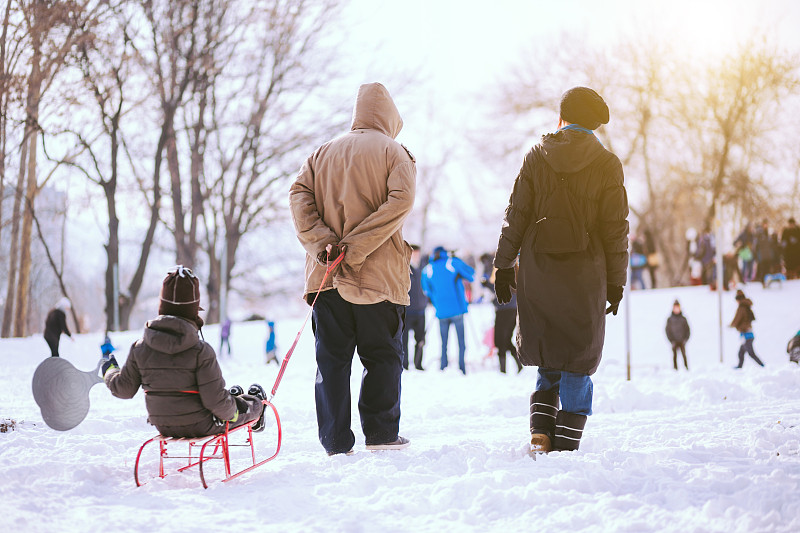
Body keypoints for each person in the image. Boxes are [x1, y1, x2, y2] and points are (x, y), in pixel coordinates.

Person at [492, 86, 629, 453]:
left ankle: (540, 433)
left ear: (563, 117)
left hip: (538, 270)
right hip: (586, 275)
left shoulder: (537, 156)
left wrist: (503, 265)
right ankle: (566, 445)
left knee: (550, 350)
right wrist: (616, 282)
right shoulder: (607, 164)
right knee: (577, 357)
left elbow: (516, 214)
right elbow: (615, 229)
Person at [289, 82, 415, 455]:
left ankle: (334, 440)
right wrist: (355, 249)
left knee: (331, 360)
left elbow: (298, 197)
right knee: (382, 356)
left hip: (326, 278)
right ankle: (380, 434)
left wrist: (324, 245)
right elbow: (401, 202)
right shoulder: (395, 152)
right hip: (379, 279)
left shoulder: (319, 154)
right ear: (391, 116)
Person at [101, 266, 268, 438]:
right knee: (250, 405)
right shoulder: (200, 351)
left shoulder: (140, 348)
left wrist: (109, 370)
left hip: (163, 425)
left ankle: (232, 401)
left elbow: (123, 389)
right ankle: (255, 411)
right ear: (193, 310)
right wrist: (233, 411)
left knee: (224, 404)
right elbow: (214, 401)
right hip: (201, 425)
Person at [421, 246, 475, 375]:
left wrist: (436, 300)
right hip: (458, 309)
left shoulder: (427, 269)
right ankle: (462, 368)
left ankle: (443, 367)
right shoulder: (453, 263)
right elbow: (471, 275)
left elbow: (426, 290)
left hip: (441, 311)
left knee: (443, 342)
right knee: (461, 341)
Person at [483, 267, 522, 374]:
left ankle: (503, 370)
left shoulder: (507, 272)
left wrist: (486, 283)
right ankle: (517, 365)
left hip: (504, 311)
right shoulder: (516, 274)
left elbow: (499, 287)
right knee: (506, 339)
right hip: (512, 310)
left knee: (499, 340)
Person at [402, 245, 427, 371]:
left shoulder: (424, 267)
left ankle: (418, 364)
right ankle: (404, 364)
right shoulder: (404, 267)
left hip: (421, 310)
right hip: (407, 311)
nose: (416, 256)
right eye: (414, 253)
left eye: (417, 253)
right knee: (404, 340)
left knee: (421, 339)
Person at [730, 289, 764, 369]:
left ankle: (762, 366)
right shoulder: (746, 306)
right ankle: (739, 367)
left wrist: (732, 325)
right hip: (747, 333)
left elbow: (737, 318)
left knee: (750, 353)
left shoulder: (742, 307)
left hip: (746, 334)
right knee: (741, 352)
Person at [665, 300, 690, 371]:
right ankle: (675, 370)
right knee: (674, 356)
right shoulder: (670, 319)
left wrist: (685, 339)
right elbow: (667, 331)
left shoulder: (683, 319)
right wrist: (671, 340)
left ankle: (686, 368)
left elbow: (687, 330)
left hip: (682, 341)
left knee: (684, 355)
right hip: (674, 341)